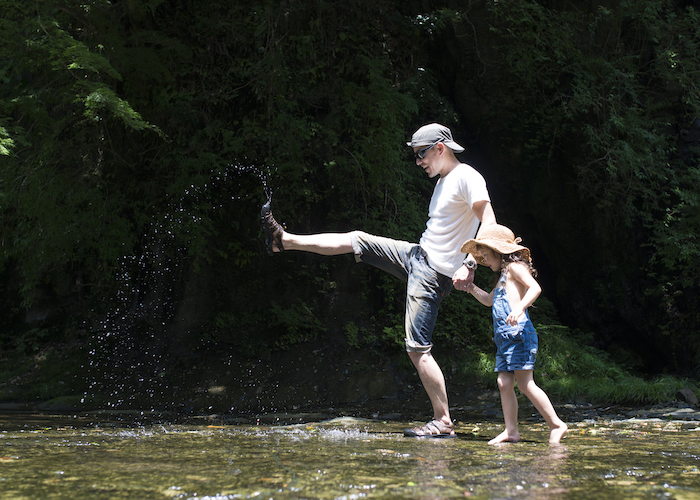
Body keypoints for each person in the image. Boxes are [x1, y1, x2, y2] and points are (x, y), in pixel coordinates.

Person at [261, 123, 496, 438]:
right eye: (415, 156)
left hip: (433, 274)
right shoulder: (443, 182)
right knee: (357, 239)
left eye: (421, 154)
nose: (418, 162)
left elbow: (490, 221)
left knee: (417, 349)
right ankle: (283, 240)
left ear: (440, 147)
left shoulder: (468, 176)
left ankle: (443, 421)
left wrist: (470, 263)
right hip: (416, 255)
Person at [461, 224, 568, 444]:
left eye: (486, 256)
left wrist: (519, 308)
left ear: (499, 252)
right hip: (504, 339)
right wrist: (471, 288)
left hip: (519, 334)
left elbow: (535, 288)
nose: (484, 261)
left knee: (525, 384)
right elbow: (490, 300)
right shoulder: (502, 275)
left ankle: (556, 424)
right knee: (503, 382)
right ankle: (511, 431)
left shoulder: (514, 268)